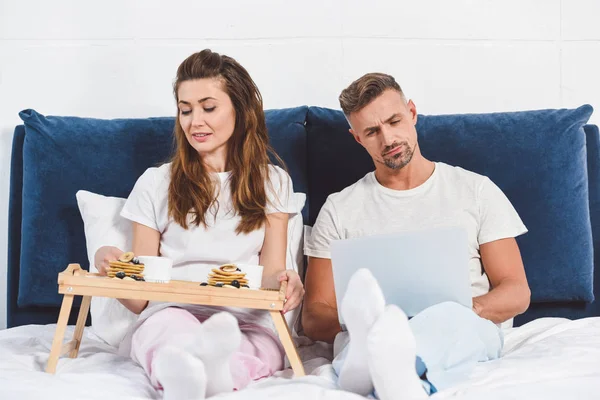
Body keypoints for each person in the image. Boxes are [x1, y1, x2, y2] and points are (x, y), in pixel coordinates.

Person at [302, 72, 531, 399]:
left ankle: (376, 368)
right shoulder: (340, 209)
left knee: (449, 319)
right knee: (367, 332)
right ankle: (393, 370)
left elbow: (516, 291)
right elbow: (314, 315)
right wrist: (380, 323)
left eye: (394, 121)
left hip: (462, 323)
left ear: (411, 112)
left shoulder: (475, 190)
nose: (388, 139)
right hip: (374, 331)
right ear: (357, 139)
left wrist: (461, 310)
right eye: (372, 131)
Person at [94, 49, 304, 400]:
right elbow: (142, 297)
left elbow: (270, 275)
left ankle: (206, 378)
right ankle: (195, 374)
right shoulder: (155, 182)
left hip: (245, 317)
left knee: (257, 348)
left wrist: (286, 282)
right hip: (171, 310)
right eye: (185, 109)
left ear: (240, 109)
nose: (195, 122)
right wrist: (111, 268)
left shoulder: (274, 181)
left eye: (209, 108)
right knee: (168, 334)